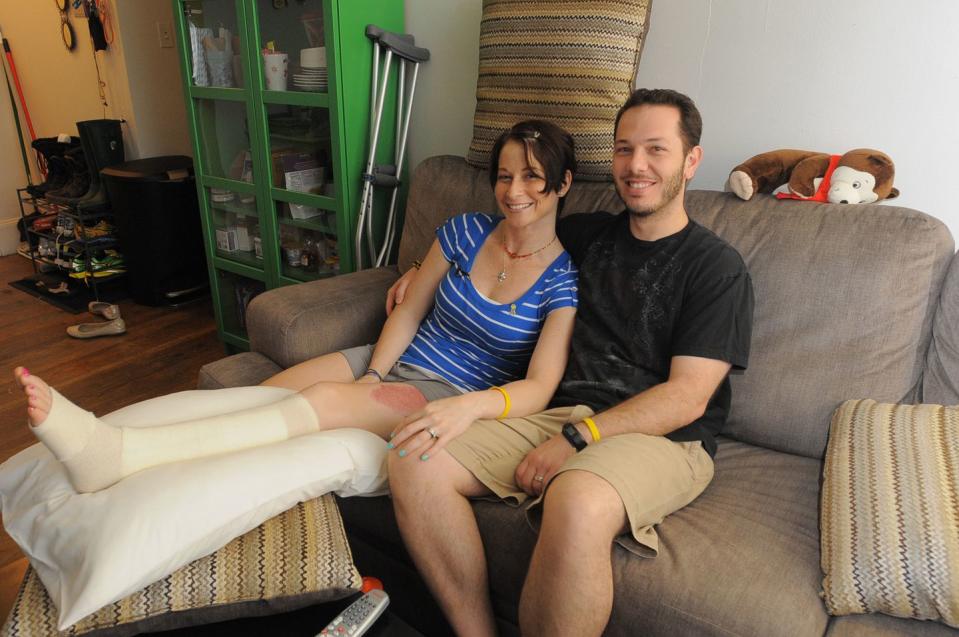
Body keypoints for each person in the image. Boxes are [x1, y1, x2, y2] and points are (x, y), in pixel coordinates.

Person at [14, 119, 580, 494]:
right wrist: (375, 370)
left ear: (562, 185)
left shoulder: (562, 281)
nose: (513, 191)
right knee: (251, 397)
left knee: (320, 402)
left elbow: (540, 386)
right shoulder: (463, 229)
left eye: (532, 176)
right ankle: (101, 439)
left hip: (446, 392)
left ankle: (127, 459)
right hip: (393, 357)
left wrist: (473, 408)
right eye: (505, 176)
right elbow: (407, 311)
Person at [385, 88, 755, 636]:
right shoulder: (582, 235)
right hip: (558, 412)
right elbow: (504, 241)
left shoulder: (716, 268)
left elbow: (687, 397)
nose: (637, 166)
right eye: (624, 149)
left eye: (656, 149)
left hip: (666, 437)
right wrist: (420, 269)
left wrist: (579, 438)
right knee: (413, 457)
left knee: (576, 500)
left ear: (690, 160)